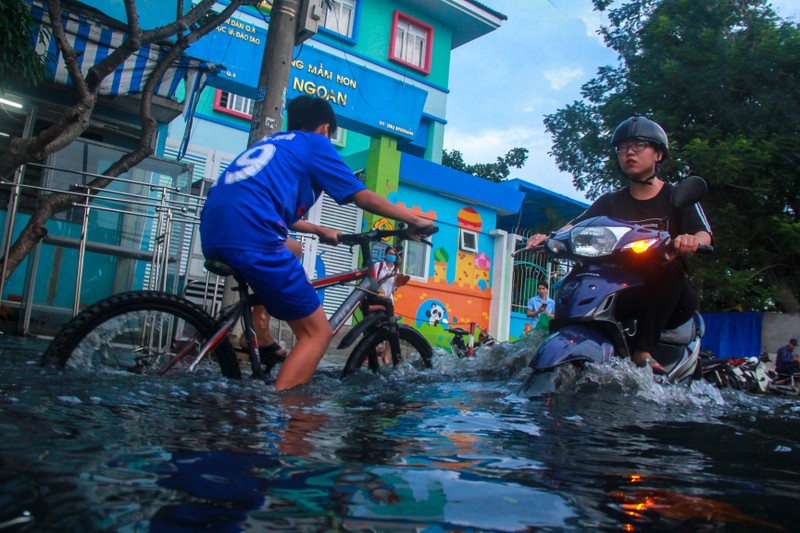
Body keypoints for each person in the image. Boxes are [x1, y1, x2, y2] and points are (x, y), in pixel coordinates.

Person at [200, 95, 435, 390]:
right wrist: (414, 220)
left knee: (294, 248)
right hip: (253, 233)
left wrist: (319, 230)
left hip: (215, 228)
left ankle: (259, 331)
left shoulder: (276, 144)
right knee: (317, 334)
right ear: (325, 128)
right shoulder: (315, 143)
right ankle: (287, 417)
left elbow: (264, 205)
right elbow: (361, 196)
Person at [525, 116, 713, 373]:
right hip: (623, 289)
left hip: (667, 295)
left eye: (639, 145)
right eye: (623, 147)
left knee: (670, 266)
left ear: (658, 154)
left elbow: (704, 233)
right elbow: (575, 226)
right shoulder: (610, 201)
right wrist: (549, 237)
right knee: (580, 274)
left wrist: (690, 240)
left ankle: (643, 350)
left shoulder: (675, 196)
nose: (629, 152)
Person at [370, 246, 410, 364]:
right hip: (377, 299)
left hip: (388, 301)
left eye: (394, 254)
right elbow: (373, 283)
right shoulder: (378, 266)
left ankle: (385, 356)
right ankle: (372, 351)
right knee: (373, 326)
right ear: (386, 254)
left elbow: (394, 289)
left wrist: (399, 283)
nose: (392, 256)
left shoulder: (395, 270)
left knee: (392, 327)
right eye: (390, 253)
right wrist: (385, 277)